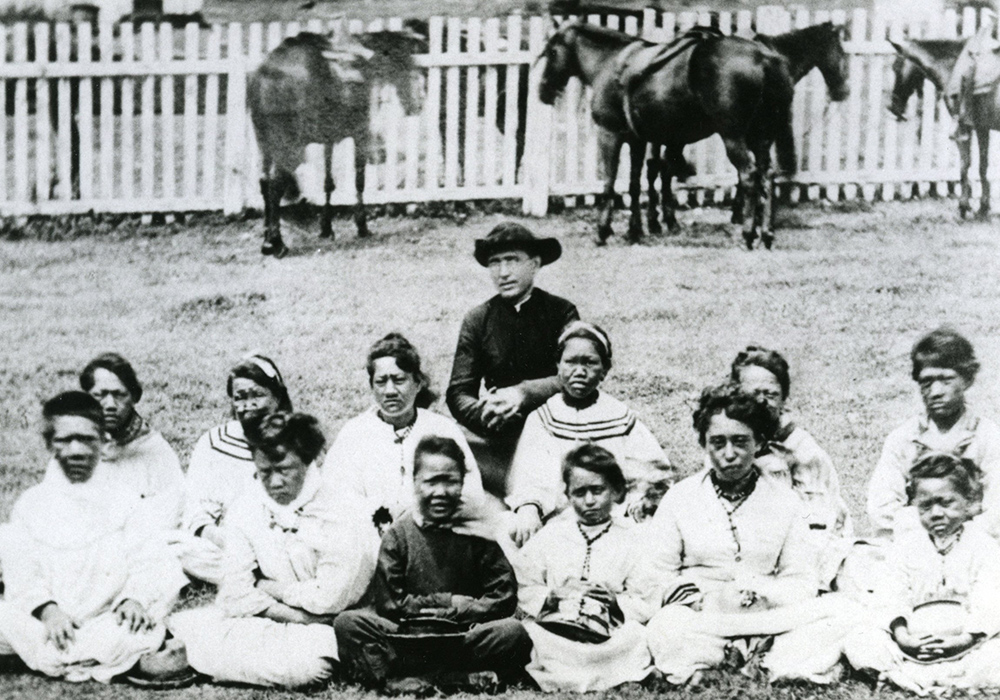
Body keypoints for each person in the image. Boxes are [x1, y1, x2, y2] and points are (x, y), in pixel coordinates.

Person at [642, 384, 858, 686]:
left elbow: (801, 577)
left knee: (842, 612)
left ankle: (748, 660)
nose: (729, 454)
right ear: (704, 443)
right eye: (718, 442)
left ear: (759, 442)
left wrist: (764, 597)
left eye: (740, 441)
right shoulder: (680, 498)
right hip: (704, 616)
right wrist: (706, 600)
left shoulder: (786, 501)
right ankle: (750, 661)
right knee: (665, 627)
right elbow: (656, 576)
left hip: (767, 615)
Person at [164, 413, 376, 688]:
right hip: (273, 618)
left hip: (332, 625)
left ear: (308, 461)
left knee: (308, 666)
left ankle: (209, 662)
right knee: (181, 628)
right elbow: (235, 592)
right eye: (265, 472)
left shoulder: (343, 510)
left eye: (284, 469)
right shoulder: (246, 507)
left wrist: (266, 586)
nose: (275, 482)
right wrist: (294, 615)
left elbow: (329, 600)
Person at [0, 392, 186, 683]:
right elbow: (22, 573)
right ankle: (98, 658)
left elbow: (151, 561)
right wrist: (48, 611)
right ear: (49, 443)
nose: (76, 450)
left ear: (104, 441)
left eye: (86, 439)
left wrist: (133, 600)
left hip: (108, 619)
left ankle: (51, 656)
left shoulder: (126, 500)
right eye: (65, 440)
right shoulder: (31, 504)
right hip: (46, 623)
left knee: (129, 631)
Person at [334, 436, 532, 694]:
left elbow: (503, 598)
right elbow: (390, 604)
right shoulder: (398, 535)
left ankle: (416, 680)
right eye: (431, 482)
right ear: (415, 481)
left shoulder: (479, 530)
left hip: (463, 637)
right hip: (408, 638)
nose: (440, 492)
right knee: (348, 624)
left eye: (450, 481)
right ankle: (459, 678)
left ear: (462, 482)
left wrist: (459, 615)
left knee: (513, 632)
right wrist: (448, 603)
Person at [506, 321, 672, 547]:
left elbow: (650, 474)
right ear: (558, 365)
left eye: (589, 362)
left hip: (613, 518)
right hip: (558, 521)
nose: (579, 371)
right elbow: (531, 476)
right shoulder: (544, 418)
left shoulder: (620, 417)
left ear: (605, 370)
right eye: (570, 362)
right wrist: (530, 508)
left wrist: (638, 504)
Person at [845, 453, 1000, 694]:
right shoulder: (906, 546)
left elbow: (988, 601)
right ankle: (904, 673)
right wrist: (903, 637)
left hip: (966, 644)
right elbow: (891, 596)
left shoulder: (984, 546)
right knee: (861, 639)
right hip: (912, 645)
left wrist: (965, 639)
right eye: (926, 506)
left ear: (968, 502)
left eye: (946, 503)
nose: (936, 513)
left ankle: (941, 679)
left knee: (994, 654)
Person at [447, 222, 579, 494]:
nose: (503, 272)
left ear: (535, 264)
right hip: (498, 434)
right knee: (444, 443)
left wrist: (522, 394)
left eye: (512, 260)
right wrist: (487, 414)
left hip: (554, 427)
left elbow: (575, 375)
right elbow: (459, 391)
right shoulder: (478, 319)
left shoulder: (561, 312)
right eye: (494, 263)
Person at [515, 443, 654, 692]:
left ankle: (588, 672)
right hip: (557, 628)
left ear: (615, 491)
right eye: (579, 493)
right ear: (568, 495)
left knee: (635, 636)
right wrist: (550, 596)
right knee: (530, 633)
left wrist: (616, 602)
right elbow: (525, 582)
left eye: (597, 490)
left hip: (609, 632)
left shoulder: (633, 537)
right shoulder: (553, 534)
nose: (589, 501)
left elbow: (646, 595)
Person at [323, 333, 486, 538]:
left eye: (399, 380)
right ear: (372, 386)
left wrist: (421, 515)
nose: (390, 391)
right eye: (381, 381)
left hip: (436, 535)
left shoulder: (442, 430)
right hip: (372, 539)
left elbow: (472, 494)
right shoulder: (354, 434)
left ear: (418, 384)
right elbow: (335, 498)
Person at [730, 345, 852, 589]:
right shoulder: (729, 443)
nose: (761, 402)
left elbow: (817, 523)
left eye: (770, 394)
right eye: (752, 394)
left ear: (783, 398)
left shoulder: (803, 453)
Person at [866, 328, 1000, 540]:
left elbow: (997, 514)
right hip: (914, 543)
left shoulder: (989, 437)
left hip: (976, 544)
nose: (936, 392)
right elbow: (882, 509)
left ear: (967, 379)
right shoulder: (903, 439)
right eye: (927, 382)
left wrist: (960, 539)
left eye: (946, 380)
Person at [171, 354, 293, 584]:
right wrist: (223, 538)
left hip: (281, 543)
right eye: (240, 397)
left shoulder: (297, 440)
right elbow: (195, 509)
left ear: (277, 397)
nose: (248, 405)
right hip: (227, 544)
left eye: (257, 395)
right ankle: (260, 580)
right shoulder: (214, 441)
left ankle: (256, 578)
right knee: (176, 546)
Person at [79, 352, 184, 533]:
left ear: (134, 397)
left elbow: (170, 516)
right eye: (100, 395)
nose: (110, 405)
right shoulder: (75, 447)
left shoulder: (155, 452)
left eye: (119, 395)